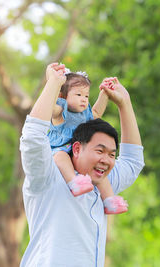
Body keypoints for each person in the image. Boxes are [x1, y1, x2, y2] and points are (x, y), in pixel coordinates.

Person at [19, 62, 144, 266]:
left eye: (112, 155)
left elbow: (133, 161)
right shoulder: (47, 175)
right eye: (100, 151)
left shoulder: (103, 181)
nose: (106, 160)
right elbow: (33, 138)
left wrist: (124, 104)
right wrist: (53, 84)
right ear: (77, 148)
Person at [47, 64, 128, 214]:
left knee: (99, 171)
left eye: (86, 96)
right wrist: (52, 83)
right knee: (60, 156)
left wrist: (105, 93)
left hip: (81, 152)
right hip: (62, 148)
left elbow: (96, 112)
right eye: (78, 95)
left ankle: (109, 200)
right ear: (62, 96)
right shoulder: (60, 110)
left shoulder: (85, 112)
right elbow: (50, 107)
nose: (84, 99)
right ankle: (74, 182)